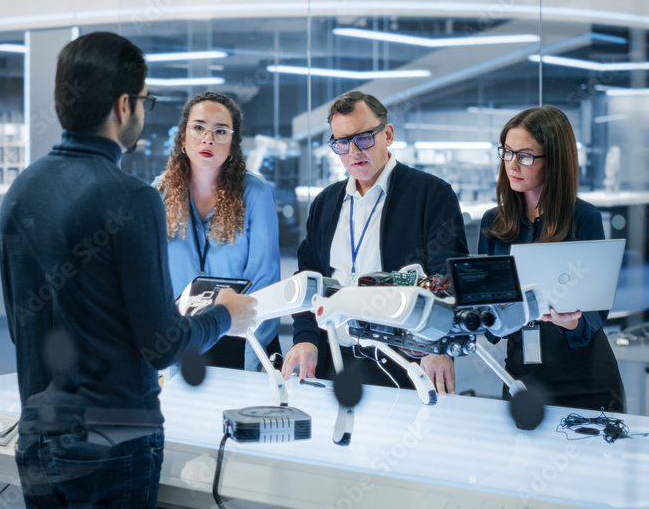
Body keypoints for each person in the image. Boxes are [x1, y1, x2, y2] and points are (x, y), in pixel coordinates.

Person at [0, 32, 256, 509]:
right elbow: (161, 345)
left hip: (38, 432)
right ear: (123, 105)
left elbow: (19, 326)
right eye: (144, 101)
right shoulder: (132, 198)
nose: (143, 111)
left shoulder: (21, 190)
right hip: (115, 436)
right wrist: (226, 314)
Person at [281, 91, 469, 393]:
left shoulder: (431, 194)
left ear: (388, 134)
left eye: (364, 138)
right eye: (341, 142)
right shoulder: (326, 203)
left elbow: (446, 279)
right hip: (334, 362)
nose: (353, 151)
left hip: (405, 364)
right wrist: (305, 338)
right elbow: (308, 280)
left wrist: (438, 346)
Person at [477, 105, 624, 412]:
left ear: (554, 161)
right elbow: (488, 316)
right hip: (522, 376)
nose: (513, 165)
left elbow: (596, 314)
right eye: (507, 152)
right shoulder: (494, 222)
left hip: (586, 379)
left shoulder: (583, 217)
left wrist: (572, 322)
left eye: (526, 156)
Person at [155, 91, 281, 371]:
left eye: (220, 131)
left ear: (233, 142)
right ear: (183, 136)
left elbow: (265, 281)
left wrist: (252, 364)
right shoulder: (159, 194)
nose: (208, 138)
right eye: (198, 127)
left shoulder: (257, 195)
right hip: (180, 338)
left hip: (240, 336)